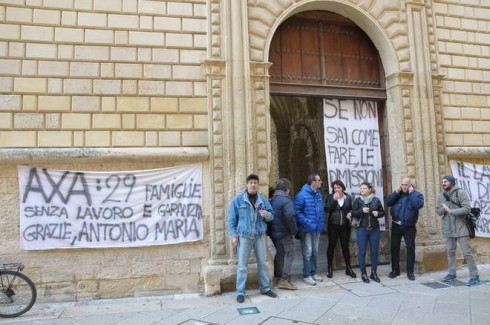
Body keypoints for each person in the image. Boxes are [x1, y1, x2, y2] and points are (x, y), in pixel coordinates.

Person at [228, 174, 277, 303]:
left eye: (255, 182)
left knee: (262, 263)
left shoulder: (263, 200)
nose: (253, 184)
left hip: (259, 236)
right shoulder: (238, 201)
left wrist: (267, 214)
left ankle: (265, 288)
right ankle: (240, 291)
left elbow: (272, 216)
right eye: (251, 182)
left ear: (258, 185)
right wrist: (233, 236)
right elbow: (231, 220)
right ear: (247, 184)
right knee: (242, 265)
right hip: (244, 237)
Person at [436, 175, 480, 286]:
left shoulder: (460, 193)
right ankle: (451, 273)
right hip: (448, 228)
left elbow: (467, 208)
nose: (443, 183)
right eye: (442, 182)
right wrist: (444, 209)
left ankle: (475, 276)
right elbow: (439, 211)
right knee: (450, 251)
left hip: (461, 228)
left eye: (445, 181)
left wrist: (450, 211)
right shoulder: (441, 195)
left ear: (451, 182)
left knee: (467, 253)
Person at [386, 177, 424, 281]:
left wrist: (411, 194)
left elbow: (418, 205)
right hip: (396, 225)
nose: (403, 187)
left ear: (410, 185)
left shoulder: (417, 195)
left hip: (409, 227)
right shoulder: (398, 194)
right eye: (402, 184)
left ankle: (410, 272)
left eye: (405, 185)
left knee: (410, 249)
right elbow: (388, 202)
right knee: (394, 248)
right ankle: (395, 271)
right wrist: (395, 193)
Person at [294, 173, 325, 286]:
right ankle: (307, 275)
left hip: (317, 228)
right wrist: (308, 222)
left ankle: (313, 272)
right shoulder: (301, 195)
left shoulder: (318, 194)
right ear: (313, 182)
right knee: (308, 252)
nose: (321, 182)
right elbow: (297, 212)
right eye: (319, 180)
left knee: (315, 252)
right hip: (306, 229)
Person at [351, 182, 385, 283]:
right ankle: (363, 273)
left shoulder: (376, 200)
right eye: (361, 188)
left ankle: (374, 273)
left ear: (370, 189)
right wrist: (362, 211)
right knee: (362, 252)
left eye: (364, 188)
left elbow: (382, 212)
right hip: (362, 229)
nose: (362, 190)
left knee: (374, 252)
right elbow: (353, 213)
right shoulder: (358, 200)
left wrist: (378, 213)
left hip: (374, 229)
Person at [269, 178, 298, 290]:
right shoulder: (286, 200)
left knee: (280, 253)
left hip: (274, 233)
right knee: (290, 253)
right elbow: (290, 216)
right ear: (287, 188)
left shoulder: (272, 199)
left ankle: (277, 276)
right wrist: (294, 230)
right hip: (284, 232)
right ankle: (284, 279)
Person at [325, 179, 356, 278]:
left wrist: (351, 213)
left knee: (345, 247)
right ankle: (329, 268)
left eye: (338, 187)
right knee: (331, 246)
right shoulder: (330, 197)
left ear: (342, 188)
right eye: (334, 188)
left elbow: (352, 208)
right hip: (333, 225)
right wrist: (334, 199)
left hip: (345, 226)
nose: (336, 189)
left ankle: (348, 268)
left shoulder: (348, 198)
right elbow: (327, 209)